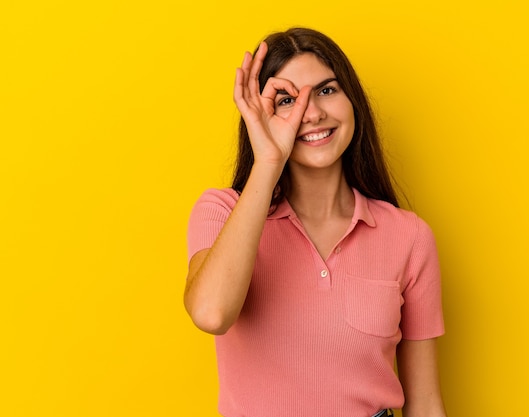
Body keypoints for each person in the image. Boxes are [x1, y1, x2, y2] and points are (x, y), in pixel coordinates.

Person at [184, 27, 447, 417]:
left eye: (326, 90)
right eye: (287, 99)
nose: (312, 113)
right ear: (259, 113)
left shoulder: (408, 236)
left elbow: (424, 403)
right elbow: (211, 313)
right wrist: (268, 162)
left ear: (352, 100)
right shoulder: (221, 212)